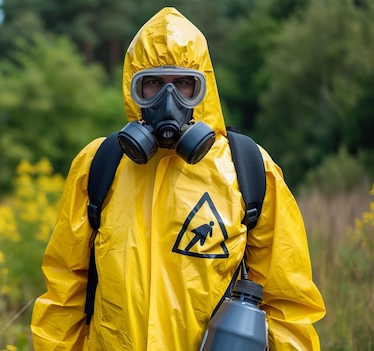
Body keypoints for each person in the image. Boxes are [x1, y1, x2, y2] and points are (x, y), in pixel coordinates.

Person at [30, 6, 326, 351]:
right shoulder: (99, 164)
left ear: (204, 89)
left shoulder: (248, 169)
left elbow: (287, 303)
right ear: (133, 90)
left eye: (184, 84)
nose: (167, 100)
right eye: (153, 84)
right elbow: (65, 290)